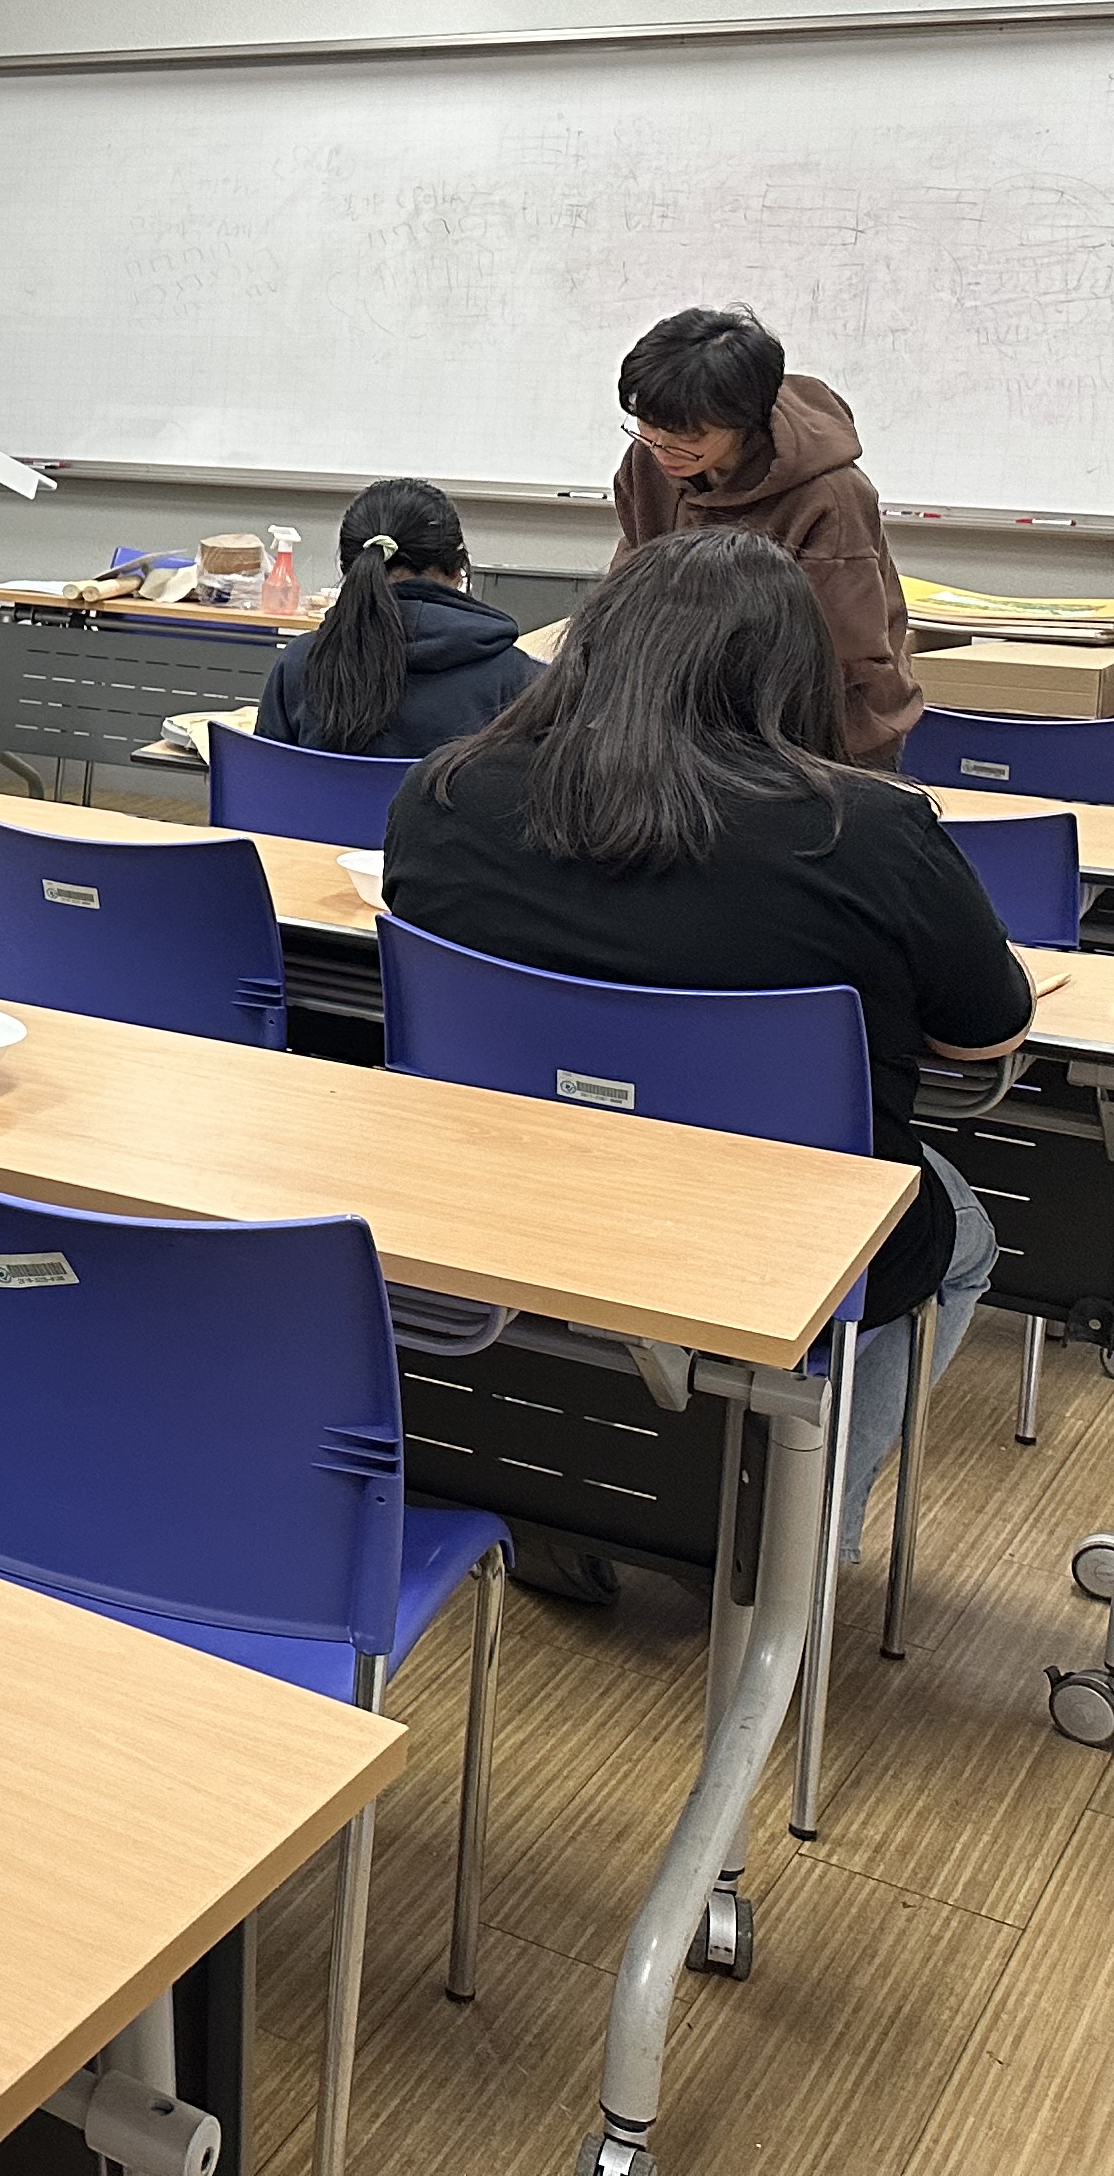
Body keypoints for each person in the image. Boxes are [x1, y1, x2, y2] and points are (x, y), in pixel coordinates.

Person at [386, 528, 1019, 1588]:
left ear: (593, 646)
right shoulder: (871, 830)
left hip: (507, 1195)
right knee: (961, 1228)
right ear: (793, 672)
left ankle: (564, 1498)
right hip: (775, 1234)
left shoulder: (444, 794)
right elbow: (983, 1035)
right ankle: (797, 1546)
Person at [613, 305, 920, 764]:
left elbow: (842, 651)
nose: (661, 447)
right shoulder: (650, 460)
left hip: (821, 731)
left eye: (688, 436)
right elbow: (630, 588)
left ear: (744, 420)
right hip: (689, 717)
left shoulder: (831, 497)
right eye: (646, 425)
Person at [254, 478, 542, 759]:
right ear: (457, 569)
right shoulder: (514, 676)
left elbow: (263, 776)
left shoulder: (300, 662)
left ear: (348, 568)